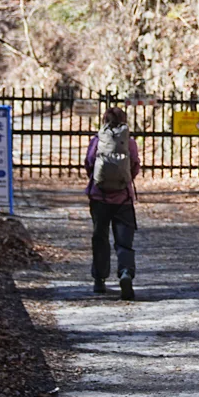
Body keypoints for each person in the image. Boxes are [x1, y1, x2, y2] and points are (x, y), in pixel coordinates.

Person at [85, 106, 141, 301]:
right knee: (124, 242)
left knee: (100, 239)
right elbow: (134, 166)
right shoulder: (129, 143)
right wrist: (123, 182)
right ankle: (125, 273)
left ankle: (99, 280)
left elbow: (90, 163)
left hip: (99, 198)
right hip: (123, 199)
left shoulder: (97, 140)